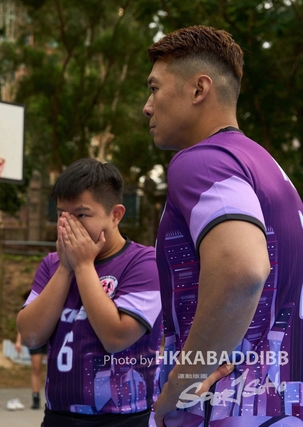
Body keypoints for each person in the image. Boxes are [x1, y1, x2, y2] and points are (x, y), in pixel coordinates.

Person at [143, 25, 303, 426]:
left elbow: (241, 270)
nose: (147, 106)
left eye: (154, 88)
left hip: (220, 410)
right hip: (279, 407)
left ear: (199, 89)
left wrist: (178, 388)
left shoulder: (202, 160)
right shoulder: (267, 167)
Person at [17, 158, 162, 427]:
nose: (69, 225)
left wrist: (83, 265)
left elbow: (116, 337)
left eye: (82, 215)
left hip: (124, 418)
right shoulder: (52, 264)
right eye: (62, 214)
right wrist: (65, 268)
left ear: (115, 215)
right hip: (59, 416)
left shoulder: (145, 262)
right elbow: (30, 334)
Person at [15, 289, 47, 410]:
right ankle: (35, 397)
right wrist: (18, 341)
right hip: (35, 338)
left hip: (49, 336)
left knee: (52, 368)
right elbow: (23, 325)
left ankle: (52, 395)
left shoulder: (48, 301)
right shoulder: (28, 308)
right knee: (36, 368)